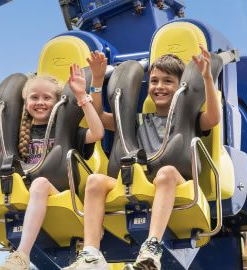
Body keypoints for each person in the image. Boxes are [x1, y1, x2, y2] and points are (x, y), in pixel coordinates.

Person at [64, 45, 221, 270]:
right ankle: (91, 254)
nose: (159, 86)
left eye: (168, 81)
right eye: (154, 81)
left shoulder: (187, 118)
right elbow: (97, 117)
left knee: (166, 172)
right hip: (135, 181)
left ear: (180, 87)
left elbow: (213, 118)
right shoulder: (137, 121)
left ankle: (152, 244)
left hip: (172, 181)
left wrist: (207, 78)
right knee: (95, 181)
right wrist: (97, 81)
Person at [0, 65, 104, 270]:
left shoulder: (66, 131)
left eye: (47, 98)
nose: (40, 102)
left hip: (53, 193)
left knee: (40, 184)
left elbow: (97, 133)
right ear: (25, 104)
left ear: (57, 102)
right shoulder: (14, 134)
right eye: (34, 98)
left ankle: (21, 256)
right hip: (19, 193)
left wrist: (82, 98)